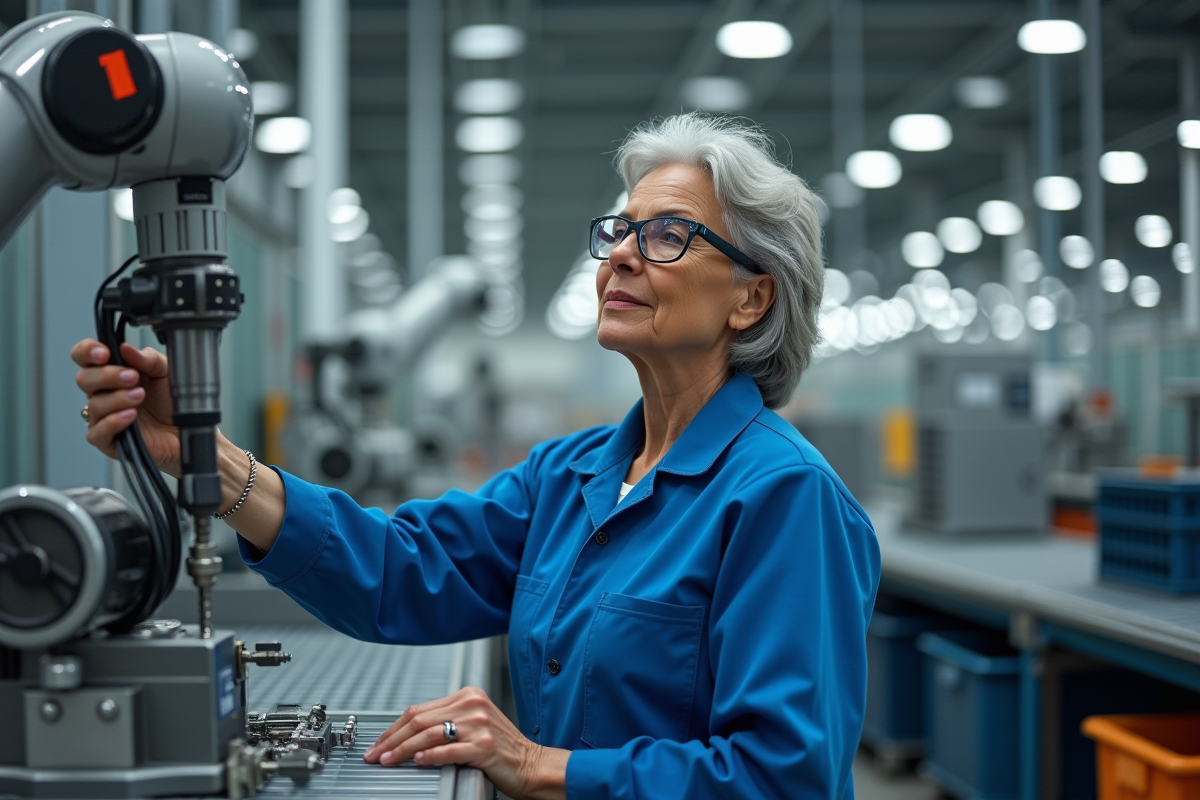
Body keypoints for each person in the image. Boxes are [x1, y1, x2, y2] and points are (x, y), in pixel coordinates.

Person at [73, 113, 880, 800]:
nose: (623, 256)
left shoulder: (785, 499)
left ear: (752, 297)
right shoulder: (570, 475)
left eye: (668, 235)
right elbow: (401, 568)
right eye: (619, 230)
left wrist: (541, 765)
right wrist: (205, 458)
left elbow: (784, 777)